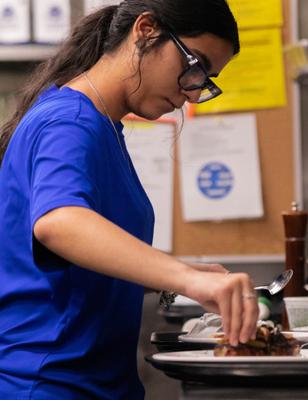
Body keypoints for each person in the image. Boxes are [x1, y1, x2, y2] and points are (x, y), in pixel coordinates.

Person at [0, 1, 258, 398]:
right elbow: (59, 222)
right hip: (50, 383)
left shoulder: (101, 126)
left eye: (205, 80)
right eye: (195, 65)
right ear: (146, 29)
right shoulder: (69, 121)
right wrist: (185, 277)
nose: (192, 92)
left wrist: (185, 274)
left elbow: (74, 271)